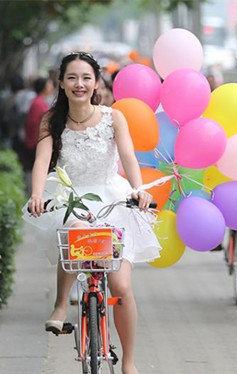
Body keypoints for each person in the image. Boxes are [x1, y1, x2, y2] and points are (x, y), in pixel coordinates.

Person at [24, 52, 161, 374]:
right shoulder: (51, 119)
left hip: (112, 194)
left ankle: (128, 362)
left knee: (121, 287)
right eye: (72, 77)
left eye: (86, 77)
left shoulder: (114, 117)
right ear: (61, 82)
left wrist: (137, 189)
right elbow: (42, 161)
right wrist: (37, 194)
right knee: (74, 232)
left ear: (96, 82)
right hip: (71, 194)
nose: (79, 84)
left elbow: (128, 157)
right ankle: (60, 306)